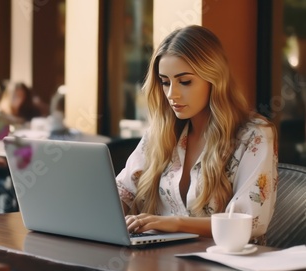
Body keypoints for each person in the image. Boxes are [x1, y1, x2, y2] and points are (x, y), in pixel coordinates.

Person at [116, 25, 278, 246]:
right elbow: (123, 191)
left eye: (185, 81)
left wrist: (175, 223)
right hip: (161, 261)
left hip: (225, 267)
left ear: (214, 78)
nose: (172, 94)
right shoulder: (161, 132)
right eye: (165, 82)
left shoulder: (254, 136)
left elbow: (248, 223)